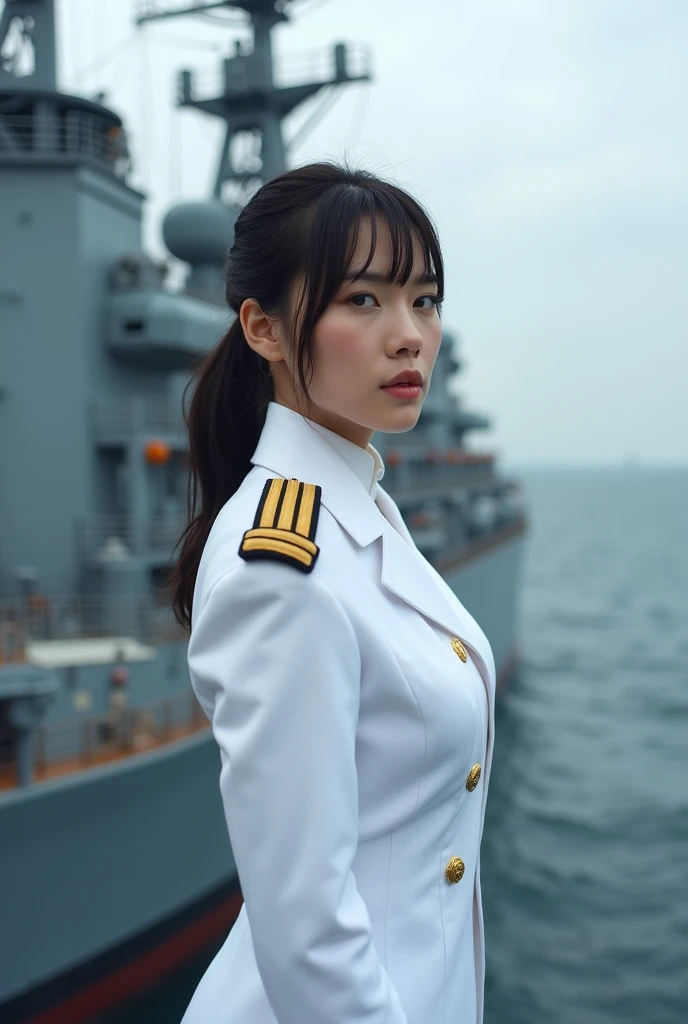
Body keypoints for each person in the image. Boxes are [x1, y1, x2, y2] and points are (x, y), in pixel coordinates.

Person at [171, 161, 496, 1024]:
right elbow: (308, 928)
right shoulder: (280, 567)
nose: (410, 335)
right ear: (265, 329)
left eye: (423, 300)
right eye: (363, 300)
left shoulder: (360, 508)